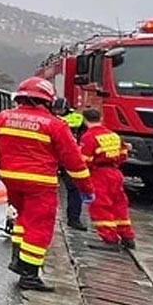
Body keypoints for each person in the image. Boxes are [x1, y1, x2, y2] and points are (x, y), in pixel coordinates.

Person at [0, 77, 94, 292]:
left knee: (23, 218)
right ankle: (30, 275)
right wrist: (86, 188)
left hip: (10, 179)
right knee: (39, 227)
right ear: (48, 100)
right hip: (39, 183)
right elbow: (74, 161)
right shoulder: (55, 125)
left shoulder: (1, 118)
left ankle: (18, 261)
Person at [79, 108, 136, 250]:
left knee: (100, 206)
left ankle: (110, 238)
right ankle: (127, 236)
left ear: (84, 120)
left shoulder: (88, 137)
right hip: (115, 173)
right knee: (119, 204)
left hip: (99, 174)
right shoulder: (113, 135)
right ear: (101, 118)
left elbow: (85, 160)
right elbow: (123, 155)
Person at [54, 98, 89, 231]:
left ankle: (74, 219)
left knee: (74, 188)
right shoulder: (50, 117)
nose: (58, 112)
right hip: (54, 156)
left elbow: (85, 133)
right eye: (56, 109)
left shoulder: (77, 118)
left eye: (60, 109)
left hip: (68, 156)